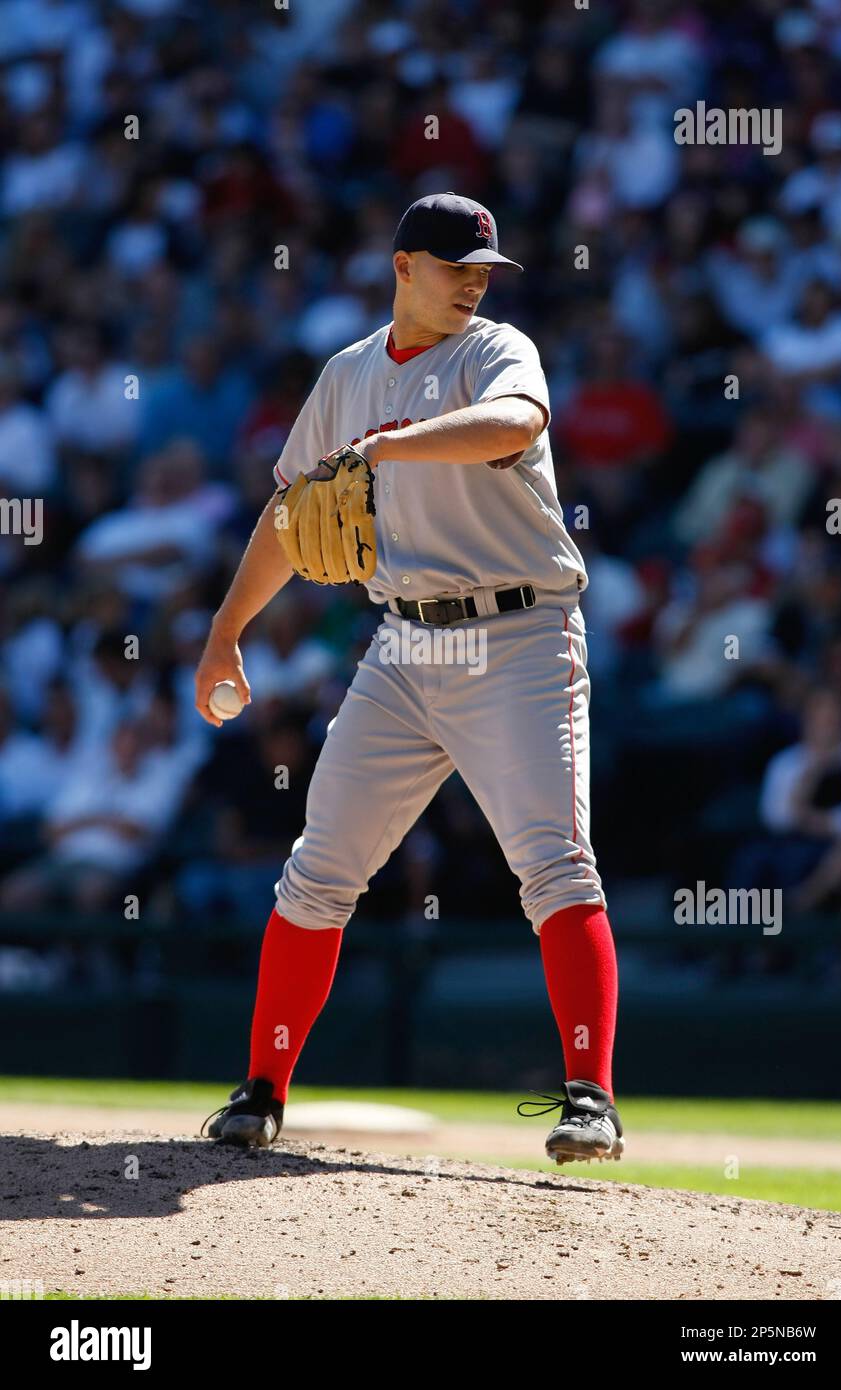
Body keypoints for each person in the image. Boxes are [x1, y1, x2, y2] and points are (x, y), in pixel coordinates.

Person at [195, 193, 623, 1165]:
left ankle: (589, 1095)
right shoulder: (347, 373)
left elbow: (512, 423)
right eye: (453, 264)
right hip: (404, 644)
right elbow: (287, 510)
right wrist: (226, 632)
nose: (474, 280)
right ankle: (261, 1088)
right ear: (402, 266)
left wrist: (390, 444)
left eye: (483, 267)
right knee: (317, 870)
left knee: (555, 863)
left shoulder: (495, 351)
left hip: (519, 635)